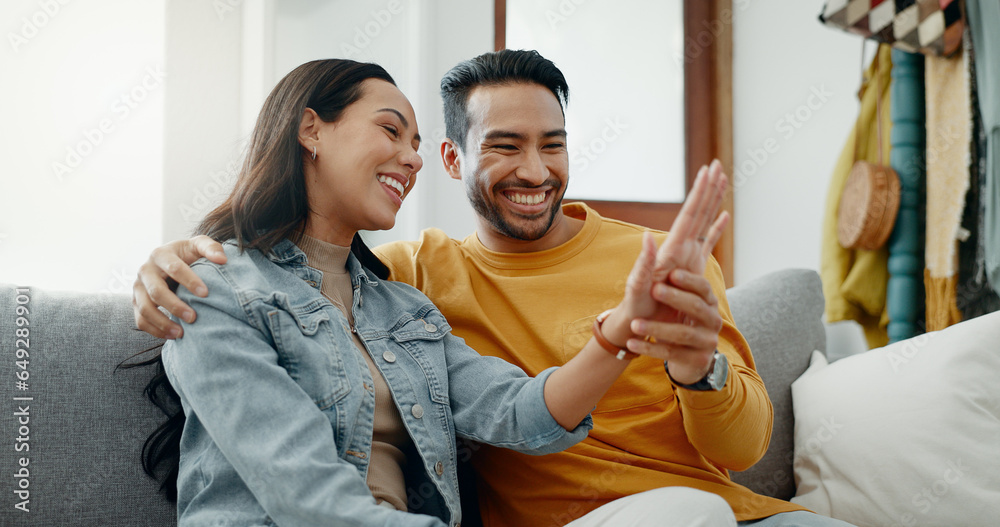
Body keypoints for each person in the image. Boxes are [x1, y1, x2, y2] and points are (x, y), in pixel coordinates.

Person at [134, 51, 854, 527]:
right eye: (505, 145)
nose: (536, 170)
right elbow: (307, 494)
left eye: (554, 144)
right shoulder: (232, 283)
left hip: (717, 507)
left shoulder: (399, 303)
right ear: (310, 130)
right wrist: (162, 263)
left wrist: (650, 336)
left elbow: (521, 408)